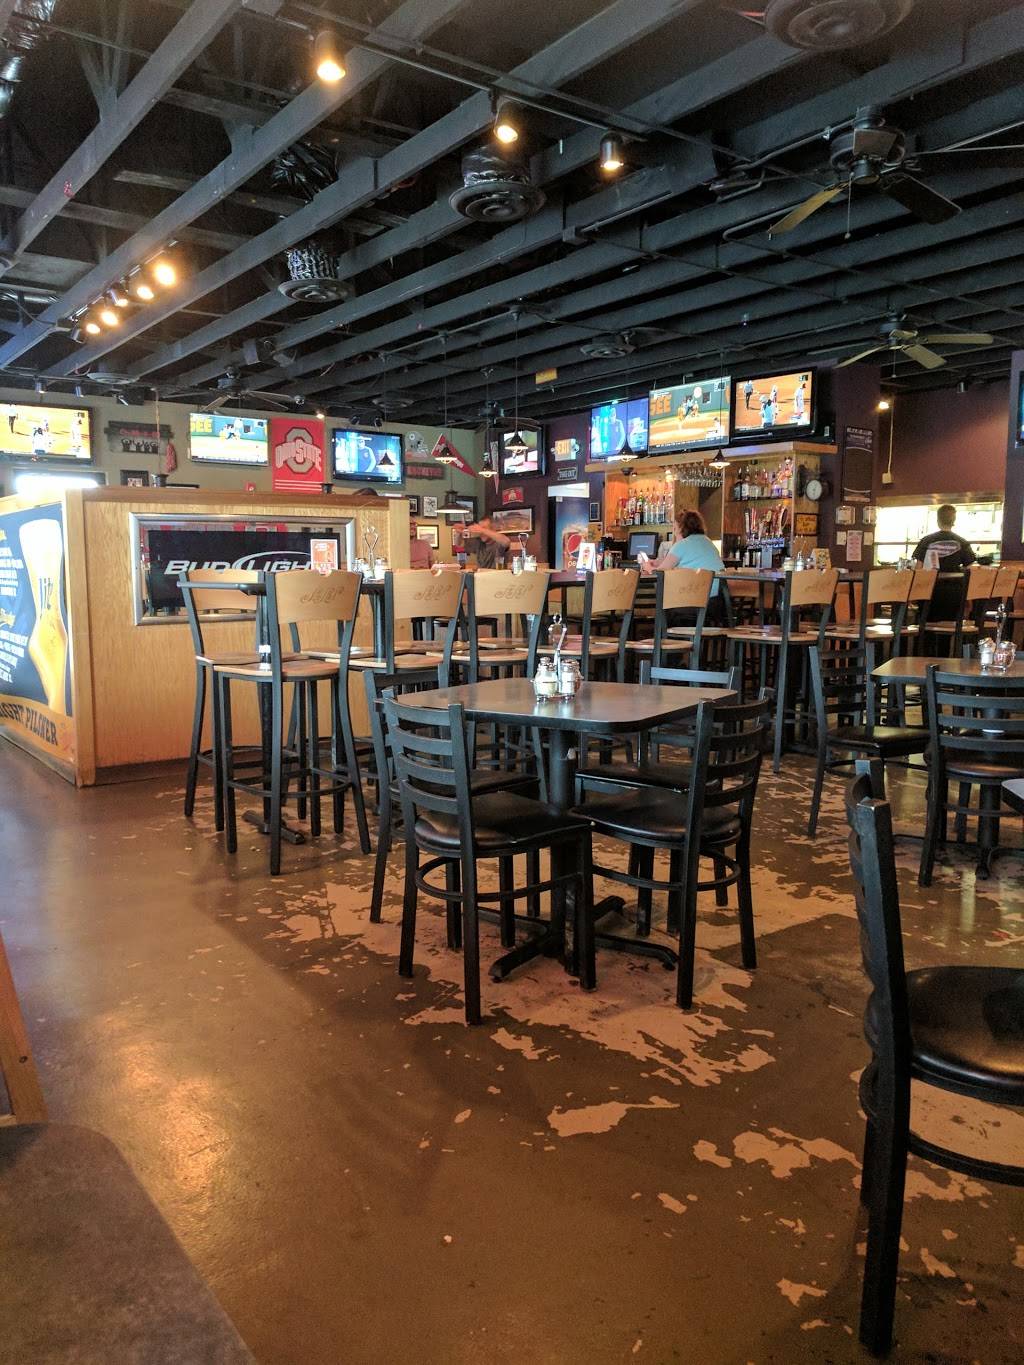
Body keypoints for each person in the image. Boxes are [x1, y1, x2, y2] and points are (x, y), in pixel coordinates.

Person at [643, 509, 725, 621]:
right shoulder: (708, 542)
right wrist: (659, 561)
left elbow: (659, 574)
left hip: (692, 604)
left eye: (675, 528)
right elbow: (689, 558)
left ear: (681, 528)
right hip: (716, 602)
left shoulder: (682, 545)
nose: (674, 532)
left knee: (664, 601)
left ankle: (662, 631)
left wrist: (648, 567)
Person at [912, 504, 976, 619]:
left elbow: (918, 570)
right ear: (954, 521)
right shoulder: (962, 542)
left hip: (929, 594)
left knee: (925, 624)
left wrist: (915, 596)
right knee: (951, 624)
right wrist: (969, 598)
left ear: (938, 520)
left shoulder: (926, 541)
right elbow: (971, 570)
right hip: (954, 594)